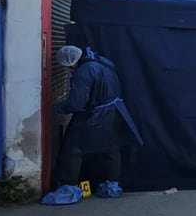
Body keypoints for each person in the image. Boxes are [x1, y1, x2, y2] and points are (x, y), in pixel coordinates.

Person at [41, 45, 143, 205]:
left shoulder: (83, 72)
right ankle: (112, 186)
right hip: (113, 113)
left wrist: (58, 107)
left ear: (70, 63)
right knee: (111, 149)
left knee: (73, 149)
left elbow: (76, 103)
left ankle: (69, 188)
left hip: (95, 116)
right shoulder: (103, 62)